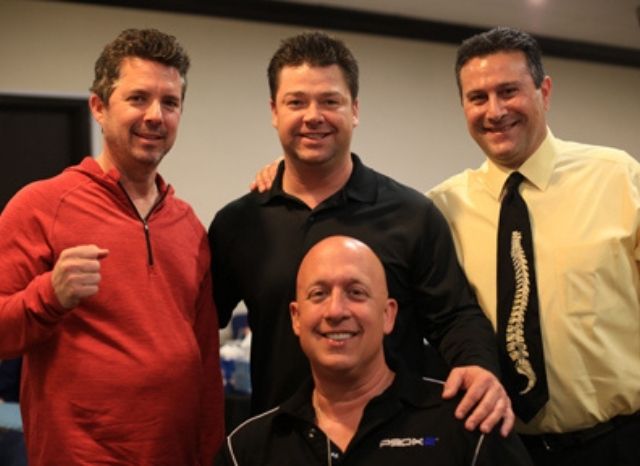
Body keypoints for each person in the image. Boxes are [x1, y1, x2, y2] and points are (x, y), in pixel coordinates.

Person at [210, 31, 513, 436]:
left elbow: (454, 316)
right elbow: (195, 323)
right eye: (296, 102)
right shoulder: (240, 223)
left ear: (354, 109)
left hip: (396, 442)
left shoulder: (411, 215)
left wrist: (478, 365)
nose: (313, 116)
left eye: (330, 101)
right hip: (281, 442)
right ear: (274, 111)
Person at [0, 28, 224, 465]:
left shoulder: (189, 226)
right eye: (138, 98)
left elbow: (205, 361)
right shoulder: (40, 206)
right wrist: (49, 296)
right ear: (99, 108)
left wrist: (211, 453)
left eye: (170, 102)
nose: (155, 115)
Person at [427, 27, 640, 465]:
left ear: (544, 91)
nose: (495, 111)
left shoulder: (618, 177)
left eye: (509, 91)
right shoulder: (443, 209)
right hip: (500, 449)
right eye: (478, 97)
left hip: (619, 443)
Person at [216, 236, 533, 465]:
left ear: (388, 315)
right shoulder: (246, 450)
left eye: (356, 292)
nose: (336, 310)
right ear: (296, 318)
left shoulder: (468, 424)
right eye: (319, 294)